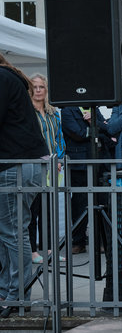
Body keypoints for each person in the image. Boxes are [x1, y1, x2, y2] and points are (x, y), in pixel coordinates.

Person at [0, 54, 48, 317]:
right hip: (23, 164)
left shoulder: (3, 78)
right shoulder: (10, 77)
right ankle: (9, 292)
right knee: (9, 232)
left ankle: (17, 295)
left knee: (13, 232)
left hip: (15, 165)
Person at [61, 106, 110, 254]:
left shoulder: (94, 107)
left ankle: (102, 242)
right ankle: (78, 242)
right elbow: (78, 134)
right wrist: (98, 129)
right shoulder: (67, 110)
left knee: (102, 201)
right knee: (79, 204)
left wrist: (95, 123)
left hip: (100, 162)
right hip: (80, 164)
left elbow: (108, 129)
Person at [27, 74, 65, 265]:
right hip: (33, 165)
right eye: (34, 87)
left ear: (46, 90)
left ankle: (49, 249)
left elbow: (59, 138)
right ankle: (32, 251)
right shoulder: (26, 112)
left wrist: (58, 158)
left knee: (49, 210)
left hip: (52, 166)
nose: (38, 90)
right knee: (32, 210)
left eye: (41, 87)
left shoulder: (53, 113)